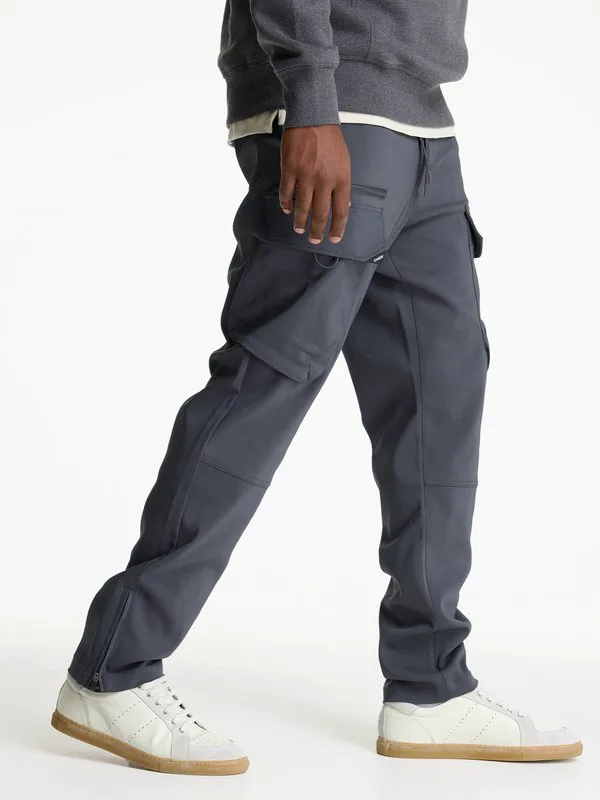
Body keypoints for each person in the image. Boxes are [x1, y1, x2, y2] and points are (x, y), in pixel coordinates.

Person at [50, 1, 582, 775]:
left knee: (442, 394)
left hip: (424, 123)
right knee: (267, 385)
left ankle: (430, 684)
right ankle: (114, 668)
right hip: (336, 110)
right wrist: (311, 97)